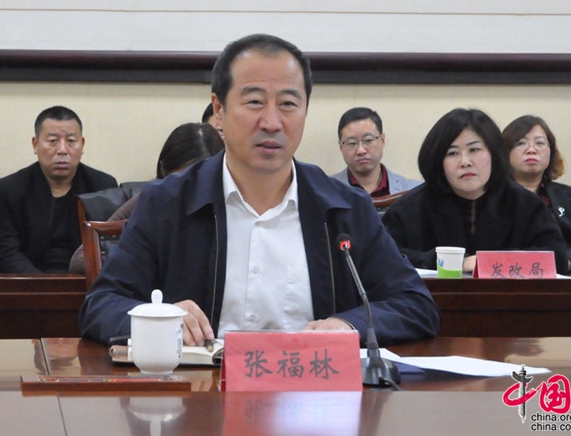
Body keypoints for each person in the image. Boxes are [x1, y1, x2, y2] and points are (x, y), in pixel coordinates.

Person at [79, 33, 440, 346]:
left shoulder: (345, 208)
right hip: (201, 396)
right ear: (219, 110)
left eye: (288, 104)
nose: (271, 122)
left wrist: (349, 325)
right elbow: (102, 305)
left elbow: (415, 305)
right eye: (254, 102)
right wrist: (159, 318)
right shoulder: (167, 203)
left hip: (314, 394)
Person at [382, 108, 568, 274]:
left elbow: (556, 258)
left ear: (493, 153)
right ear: (438, 161)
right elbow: (383, 257)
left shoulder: (525, 204)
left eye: (474, 150)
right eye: (452, 153)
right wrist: (452, 262)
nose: (465, 162)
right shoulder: (410, 208)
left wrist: (490, 262)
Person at [68, 122, 225, 273]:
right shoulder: (150, 199)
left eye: (198, 181)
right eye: (179, 180)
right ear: (164, 172)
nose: (187, 190)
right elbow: (80, 259)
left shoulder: (231, 203)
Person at [0, 105, 117, 273]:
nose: (62, 150)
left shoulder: (102, 186)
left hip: (88, 281)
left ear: (82, 144)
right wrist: (41, 285)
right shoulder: (9, 190)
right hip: (27, 281)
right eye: (53, 141)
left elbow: (109, 248)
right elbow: (6, 252)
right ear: (35, 144)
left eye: (71, 141)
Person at [502, 115, 571, 274]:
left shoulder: (570, 197)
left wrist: (563, 263)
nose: (531, 149)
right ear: (504, 152)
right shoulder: (490, 197)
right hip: (504, 277)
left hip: (563, 279)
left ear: (551, 151)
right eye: (520, 143)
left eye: (539, 143)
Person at [331, 107, 420, 197]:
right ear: (341, 147)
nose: (361, 151)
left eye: (368, 140)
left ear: (382, 140)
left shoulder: (414, 192)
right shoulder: (326, 191)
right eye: (352, 143)